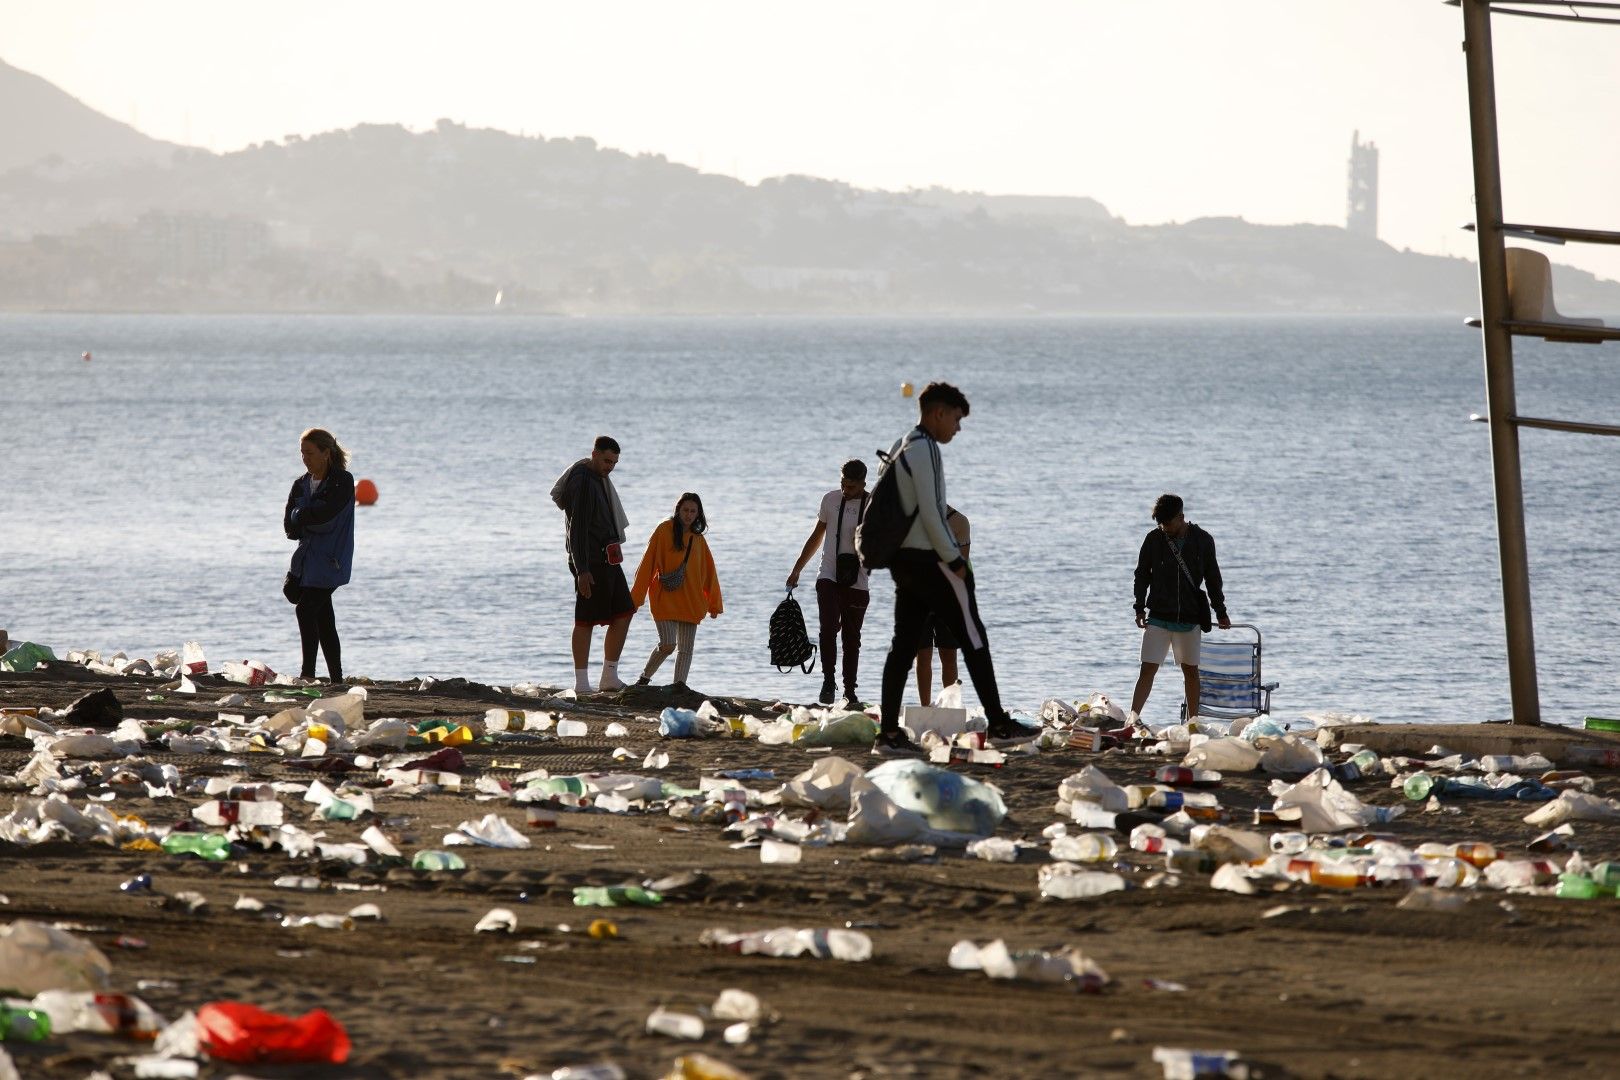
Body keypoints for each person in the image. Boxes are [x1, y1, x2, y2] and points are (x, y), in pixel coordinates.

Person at [876, 382, 1029, 755]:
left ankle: (889, 735)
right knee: (974, 637)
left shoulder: (902, 443)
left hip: (904, 562)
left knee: (902, 647)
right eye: (956, 419)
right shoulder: (925, 449)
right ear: (938, 413)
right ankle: (999, 725)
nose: (958, 429)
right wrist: (956, 559)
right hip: (932, 561)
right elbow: (932, 512)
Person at [1130, 493, 1231, 722]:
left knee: (1191, 672)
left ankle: (1192, 722)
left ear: (1181, 517)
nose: (1164, 528)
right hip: (1158, 615)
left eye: (1168, 523)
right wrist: (1138, 607)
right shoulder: (1153, 539)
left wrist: (1221, 611)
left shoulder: (1203, 540)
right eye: (1161, 524)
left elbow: (1213, 579)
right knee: (1147, 669)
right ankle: (1133, 719)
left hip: (1189, 616)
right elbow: (1141, 575)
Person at [553, 436, 634, 694]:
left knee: (624, 611)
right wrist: (582, 570)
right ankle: (581, 683)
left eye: (614, 463)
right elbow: (577, 529)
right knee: (585, 620)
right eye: (607, 460)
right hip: (590, 561)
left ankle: (609, 676)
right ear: (594, 454)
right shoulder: (584, 481)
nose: (610, 467)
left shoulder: (598, 478)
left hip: (608, 558)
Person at [787, 459, 871, 704]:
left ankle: (850, 689)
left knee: (852, 638)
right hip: (828, 574)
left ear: (863, 484)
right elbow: (817, 535)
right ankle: (828, 681)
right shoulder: (830, 499)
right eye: (843, 484)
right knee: (827, 629)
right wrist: (797, 569)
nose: (846, 490)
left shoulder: (873, 505)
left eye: (852, 487)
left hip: (858, 579)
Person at [629, 493, 724, 691]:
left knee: (686, 650)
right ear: (678, 510)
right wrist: (636, 599)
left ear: (698, 514)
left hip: (691, 600)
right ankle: (644, 678)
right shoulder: (664, 530)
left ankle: (678, 687)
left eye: (693, 511)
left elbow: (709, 573)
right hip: (665, 597)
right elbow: (647, 564)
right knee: (668, 644)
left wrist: (714, 604)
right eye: (685, 510)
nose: (688, 515)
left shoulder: (698, 539)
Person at [283, 427, 355, 684]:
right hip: (307, 560)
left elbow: (326, 518)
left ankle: (308, 673)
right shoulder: (300, 484)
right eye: (302, 453)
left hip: (332, 561)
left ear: (326, 453)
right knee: (323, 617)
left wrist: (302, 515)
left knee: (306, 609)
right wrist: (303, 516)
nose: (305, 459)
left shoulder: (342, 481)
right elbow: (290, 529)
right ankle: (336, 678)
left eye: (310, 453)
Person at [914, 506, 971, 705]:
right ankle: (925, 707)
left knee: (948, 654)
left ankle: (949, 707)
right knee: (923, 655)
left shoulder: (959, 521)